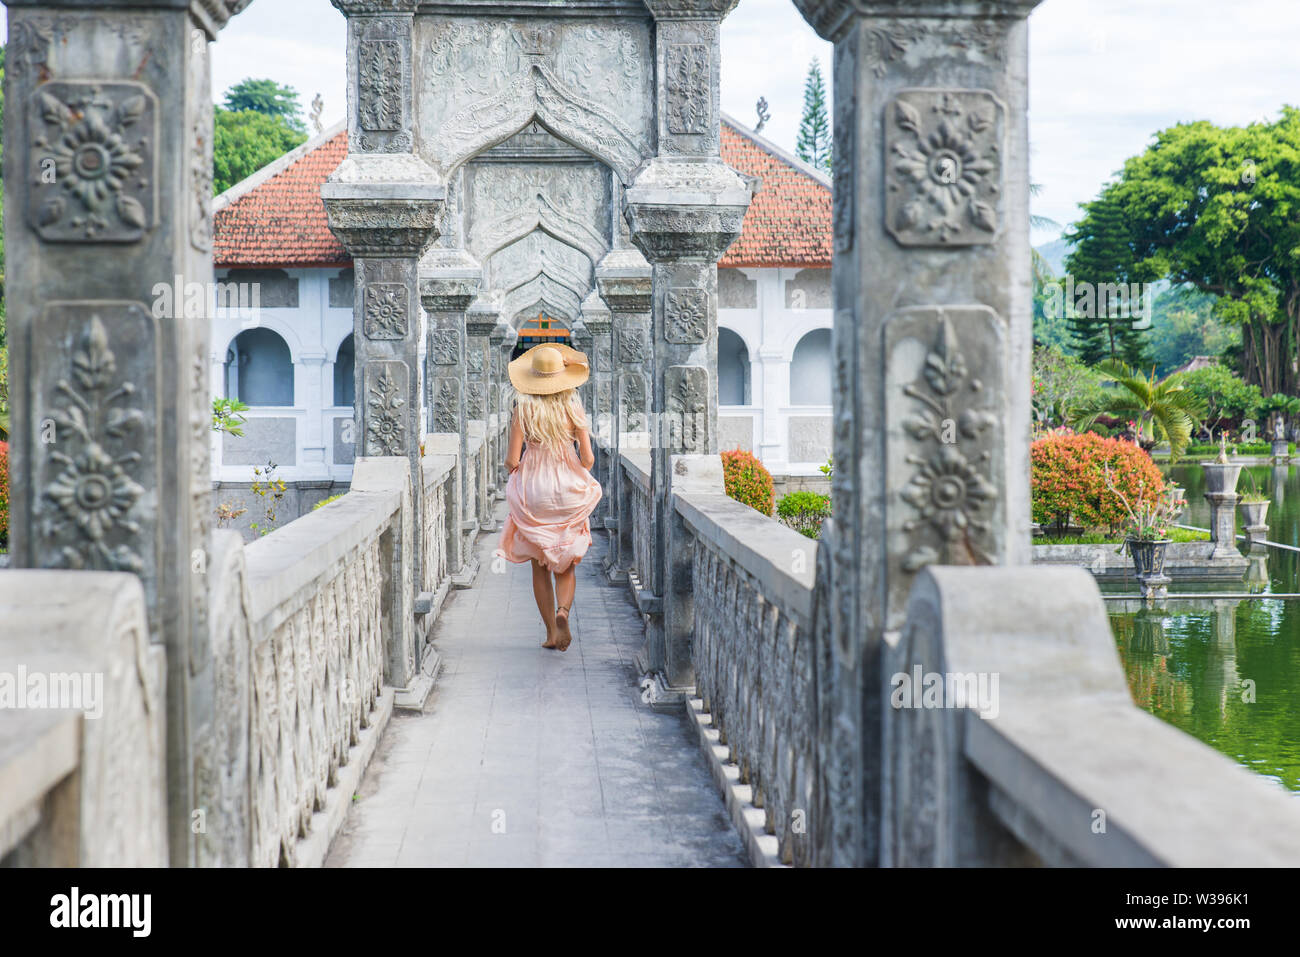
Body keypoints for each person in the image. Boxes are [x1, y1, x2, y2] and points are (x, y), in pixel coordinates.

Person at [498, 343, 603, 651]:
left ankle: (550, 634)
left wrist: (518, 470)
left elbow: (512, 460)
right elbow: (588, 458)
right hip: (567, 490)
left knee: (539, 565)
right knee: (566, 562)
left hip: (535, 490)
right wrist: (572, 464)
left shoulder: (523, 410)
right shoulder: (574, 408)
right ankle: (563, 611)